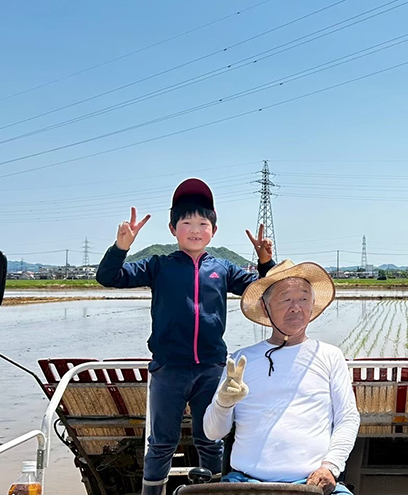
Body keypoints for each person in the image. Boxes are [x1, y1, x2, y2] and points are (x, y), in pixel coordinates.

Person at [95, 178, 276, 495]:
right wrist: (121, 246)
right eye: (186, 222)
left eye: (203, 223)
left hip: (211, 368)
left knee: (212, 438)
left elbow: (265, 291)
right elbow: (108, 277)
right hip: (169, 368)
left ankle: (215, 491)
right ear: (172, 228)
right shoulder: (158, 266)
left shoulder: (223, 268)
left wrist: (265, 262)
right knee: (162, 441)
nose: (195, 229)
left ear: (213, 231)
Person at [203, 260, 360, 495]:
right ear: (265, 308)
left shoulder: (329, 356)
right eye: (286, 299)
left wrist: (331, 467)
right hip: (245, 483)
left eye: (304, 298)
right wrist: (223, 404)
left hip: (313, 484)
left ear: (313, 304)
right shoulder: (241, 360)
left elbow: (347, 418)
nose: (296, 307)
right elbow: (212, 432)